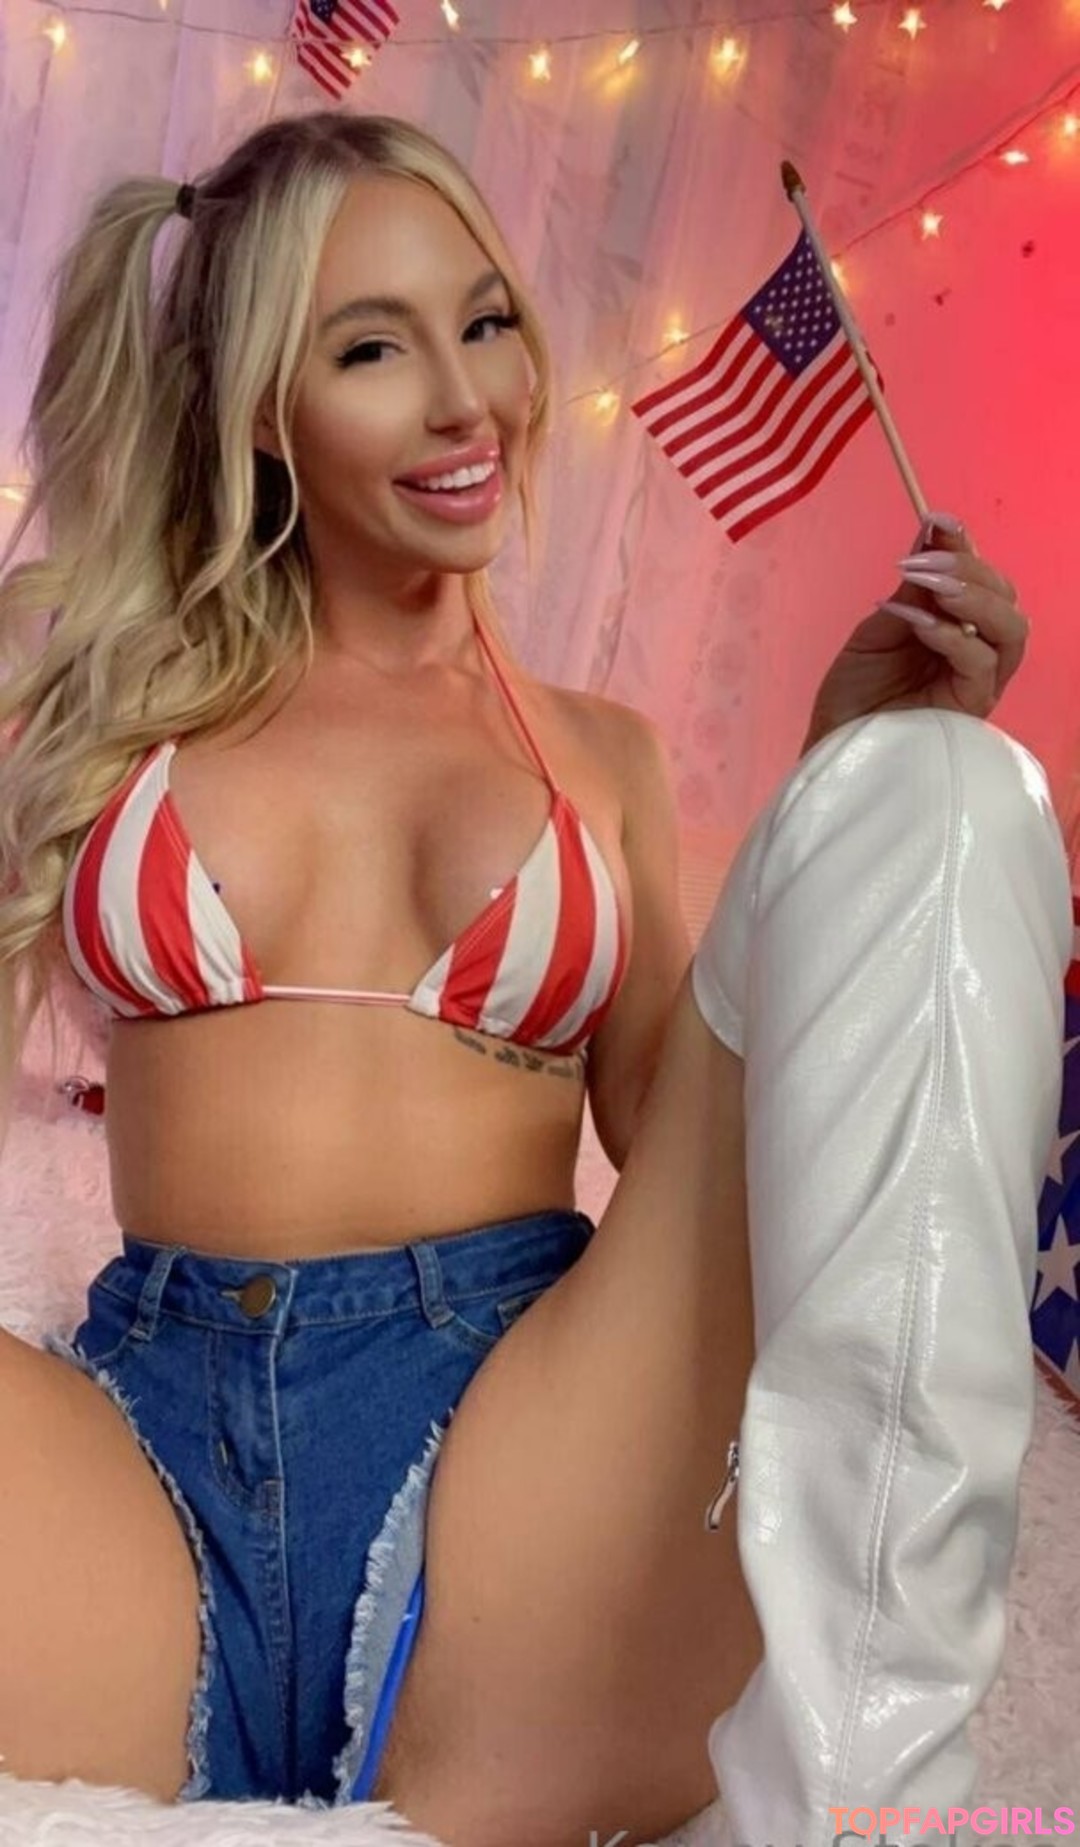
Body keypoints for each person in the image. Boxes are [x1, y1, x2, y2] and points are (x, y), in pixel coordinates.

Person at [0, 110, 1070, 1847]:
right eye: (373, 349)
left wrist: (838, 796)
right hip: (144, 1443)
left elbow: (683, 1143)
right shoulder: (103, 700)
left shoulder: (600, 756)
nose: (466, 402)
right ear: (263, 407)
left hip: (522, 1444)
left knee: (938, 784)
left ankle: (875, 1805)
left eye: (486, 322)